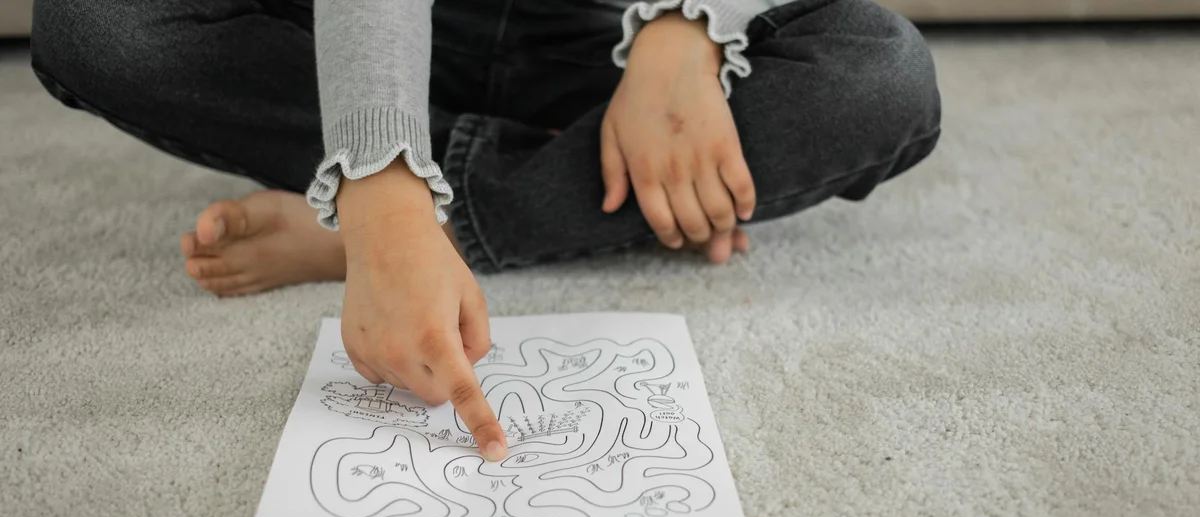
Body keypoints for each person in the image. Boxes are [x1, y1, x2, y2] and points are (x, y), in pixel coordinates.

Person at [30, 0, 941, 462]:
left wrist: (685, 30)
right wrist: (382, 184)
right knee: (97, 19)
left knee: (882, 74)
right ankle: (426, 205)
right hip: (389, 34)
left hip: (608, 52)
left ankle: (421, 222)